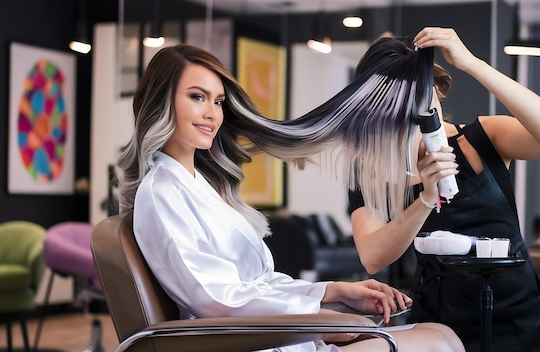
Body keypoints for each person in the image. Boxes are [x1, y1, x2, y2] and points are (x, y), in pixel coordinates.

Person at [115, 44, 466, 352]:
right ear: (162, 101)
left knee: (440, 335)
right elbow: (216, 301)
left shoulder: (200, 187)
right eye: (197, 97)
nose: (212, 113)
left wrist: (335, 292)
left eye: (218, 101)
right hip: (245, 341)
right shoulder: (162, 192)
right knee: (437, 342)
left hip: (270, 337)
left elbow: (257, 284)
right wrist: (319, 317)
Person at [348, 27, 540, 352]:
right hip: (438, 326)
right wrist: (425, 198)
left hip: (516, 317)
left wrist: (471, 63)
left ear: (436, 89)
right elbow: (373, 256)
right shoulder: (371, 170)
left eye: (417, 93)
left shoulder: (483, 138)